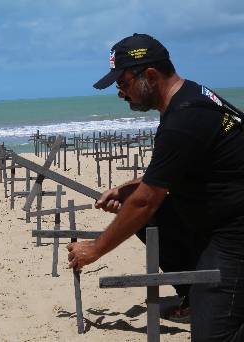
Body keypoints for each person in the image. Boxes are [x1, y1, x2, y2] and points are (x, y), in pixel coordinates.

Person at [67, 33, 244, 341]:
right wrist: (127, 188)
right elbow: (170, 170)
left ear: (149, 75)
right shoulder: (187, 98)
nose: (121, 94)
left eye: (122, 84)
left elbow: (146, 201)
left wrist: (94, 250)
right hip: (216, 214)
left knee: (213, 337)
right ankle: (194, 294)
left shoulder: (183, 120)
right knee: (141, 206)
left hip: (234, 231)